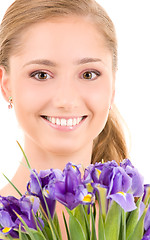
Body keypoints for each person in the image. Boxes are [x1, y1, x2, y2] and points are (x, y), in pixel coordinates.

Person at [0, 0, 128, 198]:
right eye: (41, 75)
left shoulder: (140, 219)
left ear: (113, 85)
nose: (67, 101)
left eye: (88, 75)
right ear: (6, 85)